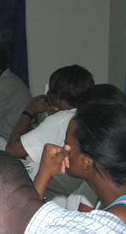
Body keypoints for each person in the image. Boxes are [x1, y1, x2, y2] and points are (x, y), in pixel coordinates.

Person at [34, 102, 126, 233]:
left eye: (66, 143)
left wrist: (43, 175)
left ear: (86, 161)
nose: (60, 148)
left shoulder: (116, 221)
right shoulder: (117, 198)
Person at [5, 65, 94, 198]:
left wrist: (29, 111)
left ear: (57, 96)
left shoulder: (59, 120)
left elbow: (11, 150)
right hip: (77, 184)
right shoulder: (89, 114)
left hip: (54, 187)